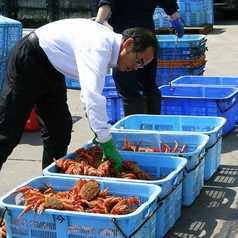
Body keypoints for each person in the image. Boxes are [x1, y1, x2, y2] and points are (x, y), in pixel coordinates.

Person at [0, 18, 158, 171]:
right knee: (7, 132)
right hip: (31, 57)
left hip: (53, 69)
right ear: (128, 44)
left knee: (59, 132)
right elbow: (91, 98)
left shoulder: (108, 49)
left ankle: (51, 185)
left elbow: (94, 95)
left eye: (141, 65)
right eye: (139, 60)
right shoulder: (99, 47)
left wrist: (101, 134)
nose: (136, 67)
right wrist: (106, 143)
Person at [95, 0, 184, 116]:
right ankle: (150, 128)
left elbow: (107, 3)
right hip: (143, 35)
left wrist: (98, 23)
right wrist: (174, 18)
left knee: (129, 86)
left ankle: (139, 129)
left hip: (127, 36)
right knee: (148, 84)